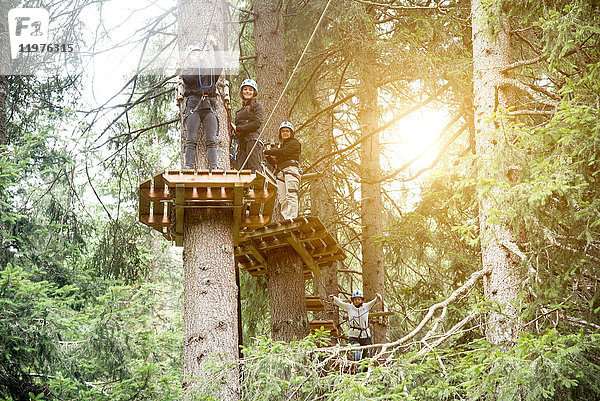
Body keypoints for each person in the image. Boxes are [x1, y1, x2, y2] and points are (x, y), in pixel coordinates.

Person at [180, 35, 222, 170]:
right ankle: (188, 166)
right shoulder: (186, 73)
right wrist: (201, 60)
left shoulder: (209, 73)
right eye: (193, 55)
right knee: (191, 139)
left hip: (208, 105)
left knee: (211, 140)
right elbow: (192, 79)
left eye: (198, 54)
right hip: (194, 105)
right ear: (188, 59)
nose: (197, 57)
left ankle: (214, 166)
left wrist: (215, 46)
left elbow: (219, 64)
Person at [329, 290, 382, 362]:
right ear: (353, 300)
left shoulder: (366, 306)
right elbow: (340, 303)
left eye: (359, 299)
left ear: (361, 300)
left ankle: (365, 372)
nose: (357, 301)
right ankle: (358, 371)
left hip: (365, 335)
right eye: (355, 299)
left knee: (366, 357)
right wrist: (334, 298)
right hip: (354, 336)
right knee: (356, 355)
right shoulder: (349, 307)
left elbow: (375, 301)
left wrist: (378, 296)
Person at [264, 121, 301, 220]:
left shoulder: (294, 143)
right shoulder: (282, 146)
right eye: (283, 131)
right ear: (280, 133)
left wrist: (268, 151)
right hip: (281, 173)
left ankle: (292, 218)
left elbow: (284, 152)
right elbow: (276, 165)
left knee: (291, 195)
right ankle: (286, 218)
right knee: (283, 199)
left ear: (291, 133)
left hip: (291, 171)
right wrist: (268, 157)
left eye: (287, 131)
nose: (285, 133)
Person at [233, 78, 264, 173]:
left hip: (252, 141)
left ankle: (255, 187)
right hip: (242, 144)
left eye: (250, 90)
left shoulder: (258, 106)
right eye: (245, 89)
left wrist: (238, 128)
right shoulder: (239, 111)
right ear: (241, 91)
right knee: (242, 170)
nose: (247, 91)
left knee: (254, 169)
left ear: (254, 92)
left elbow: (257, 123)